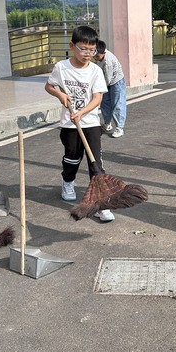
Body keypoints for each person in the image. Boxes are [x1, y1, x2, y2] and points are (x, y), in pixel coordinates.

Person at [45, 26, 114, 222]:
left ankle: (101, 203)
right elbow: (49, 86)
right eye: (83, 49)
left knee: (95, 161)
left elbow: (97, 98)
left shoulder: (95, 71)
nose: (87, 54)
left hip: (90, 122)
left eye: (91, 50)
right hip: (69, 124)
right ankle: (68, 181)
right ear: (72, 46)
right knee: (72, 158)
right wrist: (60, 94)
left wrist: (83, 112)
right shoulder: (61, 67)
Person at [94, 40, 126, 138]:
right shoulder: (100, 56)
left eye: (97, 56)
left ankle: (119, 128)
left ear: (103, 53)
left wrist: (99, 89)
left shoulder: (108, 62)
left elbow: (107, 79)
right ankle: (107, 124)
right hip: (107, 82)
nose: (95, 58)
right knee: (105, 103)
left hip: (116, 82)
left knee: (117, 104)